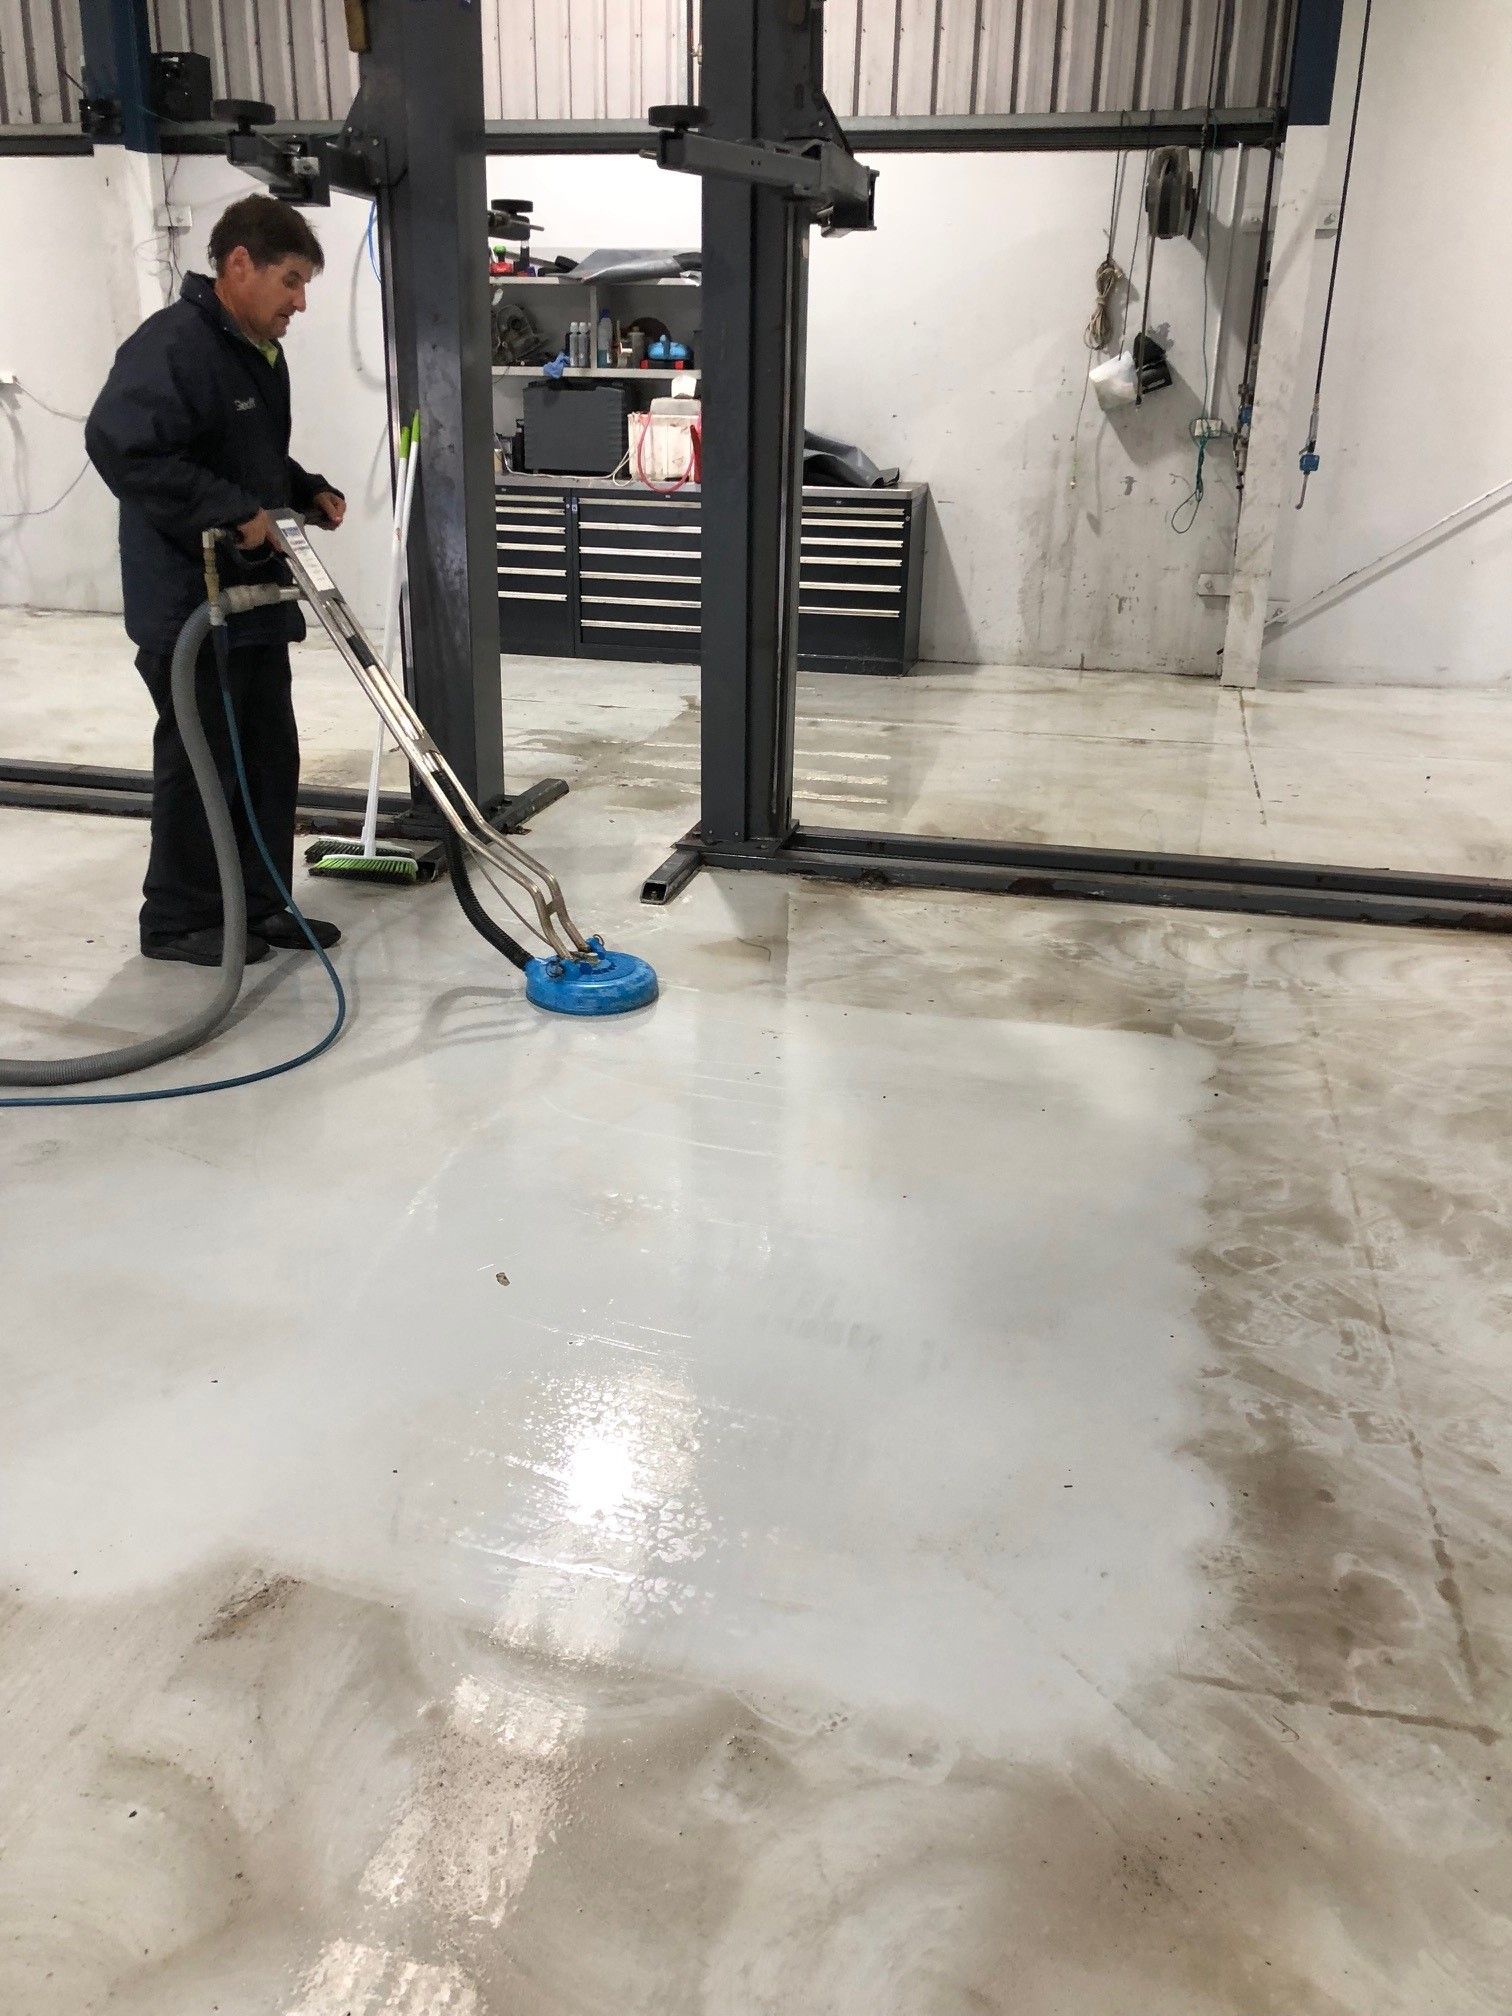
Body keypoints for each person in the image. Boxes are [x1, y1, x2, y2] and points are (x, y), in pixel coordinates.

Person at [86, 194, 347, 966]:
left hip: (253, 603)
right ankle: (178, 920)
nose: (299, 302)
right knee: (202, 761)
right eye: (291, 281)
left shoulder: (252, 351)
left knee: (269, 756)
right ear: (240, 265)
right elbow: (125, 448)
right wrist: (234, 511)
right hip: (189, 605)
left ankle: (263, 904)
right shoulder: (174, 345)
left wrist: (301, 489)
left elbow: (238, 451)